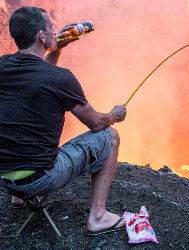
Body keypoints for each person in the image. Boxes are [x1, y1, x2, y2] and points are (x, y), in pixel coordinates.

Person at [0, 6, 127, 235]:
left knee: (17, 116)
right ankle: (98, 217)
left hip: (4, 177)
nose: (55, 29)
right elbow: (96, 123)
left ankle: (18, 199)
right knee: (109, 136)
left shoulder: (3, 66)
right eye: (50, 26)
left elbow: (36, 79)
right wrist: (114, 115)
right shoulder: (61, 78)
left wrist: (57, 47)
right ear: (41, 35)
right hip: (39, 179)